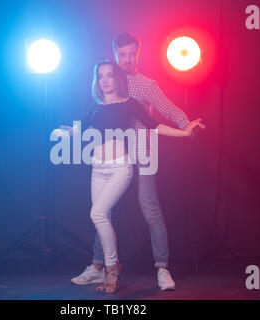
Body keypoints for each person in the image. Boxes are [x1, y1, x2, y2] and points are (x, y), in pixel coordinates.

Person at [53, 60, 204, 293]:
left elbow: (154, 126)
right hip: (98, 168)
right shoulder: (96, 106)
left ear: (117, 79)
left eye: (109, 75)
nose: (104, 79)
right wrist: (64, 136)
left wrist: (184, 132)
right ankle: (103, 270)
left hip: (120, 166)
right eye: (100, 75)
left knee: (98, 213)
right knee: (101, 217)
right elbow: (81, 127)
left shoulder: (129, 103)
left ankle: (114, 269)